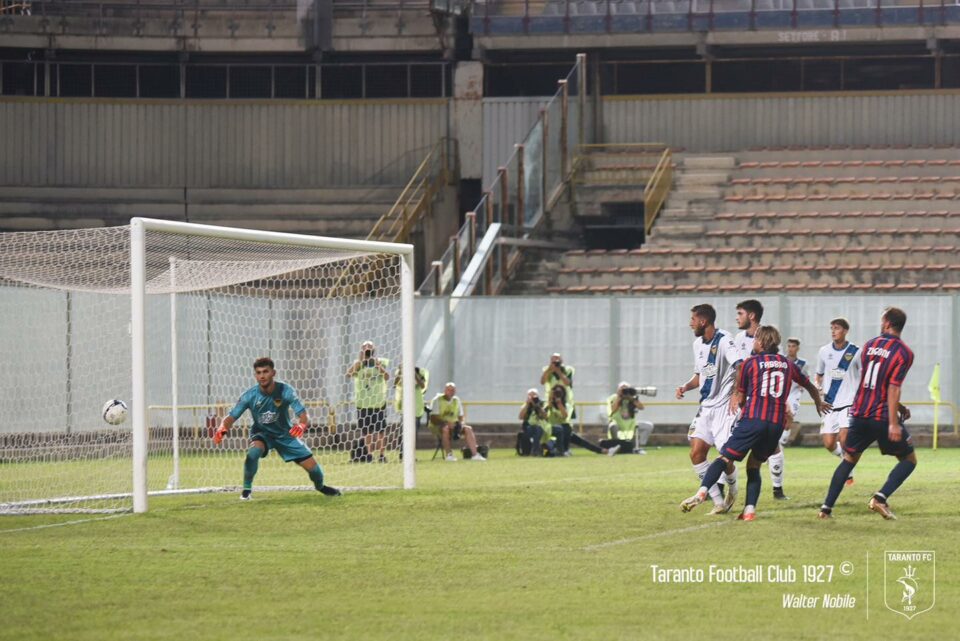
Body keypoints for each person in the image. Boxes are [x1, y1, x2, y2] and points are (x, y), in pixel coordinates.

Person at [681, 326, 824, 520]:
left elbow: (740, 397)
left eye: (756, 339)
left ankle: (702, 492)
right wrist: (818, 403)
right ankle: (749, 511)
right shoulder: (788, 364)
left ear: (762, 342)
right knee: (754, 466)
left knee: (724, 458)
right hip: (775, 425)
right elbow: (809, 385)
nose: (753, 342)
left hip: (754, 419)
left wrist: (737, 406)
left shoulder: (750, 363)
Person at [819, 308, 916, 521]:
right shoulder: (904, 353)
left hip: (860, 412)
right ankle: (880, 498)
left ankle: (825, 509)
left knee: (849, 459)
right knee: (909, 460)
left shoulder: (870, 345)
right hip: (881, 415)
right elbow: (891, 386)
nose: (881, 323)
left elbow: (870, 381)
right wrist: (893, 422)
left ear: (888, 323)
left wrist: (898, 408)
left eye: (883, 320)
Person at [213, 357, 340, 500]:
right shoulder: (249, 396)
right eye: (258, 372)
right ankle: (246, 491)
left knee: (314, 470)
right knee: (253, 453)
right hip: (262, 434)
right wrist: (222, 428)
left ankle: (321, 486)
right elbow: (231, 417)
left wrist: (301, 425)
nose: (262, 376)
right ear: (255, 375)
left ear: (273, 373)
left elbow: (303, 414)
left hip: (285, 434)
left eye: (265, 372)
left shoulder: (286, 391)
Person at [676, 304, 743, 514]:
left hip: (725, 409)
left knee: (726, 456)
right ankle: (718, 502)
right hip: (706, 407)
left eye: (693, 319)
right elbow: (700, 375)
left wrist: (737, 393)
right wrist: (686, 386)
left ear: (703, 321)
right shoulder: (697, 344)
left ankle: (732, 487)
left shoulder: (725, 339)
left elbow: (740, 366)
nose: (690, 323)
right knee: (696, 453)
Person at [732, 299, 788, 500]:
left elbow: (779, 371)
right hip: (741, 398)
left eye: (740, 313)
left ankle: (777, 489)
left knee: (771, 446)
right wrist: (736, 394)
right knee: (729, 443)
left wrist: (785, 402)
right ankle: (720, 487)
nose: (737, 318)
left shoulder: (767, 337)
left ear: (751, 316)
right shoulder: (738, 338)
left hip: (761, 401)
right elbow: (737, 369)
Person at [815, 318, 860, 485]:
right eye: (832, 328)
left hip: (849, 403)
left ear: (846, 331)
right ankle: (847, 462)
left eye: (837, 328)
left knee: (844, 438)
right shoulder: (824, 351)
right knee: (828, 443)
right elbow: (819, 375)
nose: (833, 331)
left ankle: (848, 471)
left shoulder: (855, 351)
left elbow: (862, 376)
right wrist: (818, 389)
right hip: (830, 403)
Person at [346, 340, 390, 463]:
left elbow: (387, 377)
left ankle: (382, 455)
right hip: (363, 403)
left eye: (369, 346)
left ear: (374, 349)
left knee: (380, 431)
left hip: (378, 402)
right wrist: (360, 361)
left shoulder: (381, 361)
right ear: (361, 349)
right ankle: (369, 455)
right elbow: (348, 374)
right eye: (365, 347)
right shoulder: (358, 363)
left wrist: (378, 365)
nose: (367, 349)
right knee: (367, 432)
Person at [428, 383, 486, 462]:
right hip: (438, 426)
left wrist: (461, 424)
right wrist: (446, 423)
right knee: (445, 429)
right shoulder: (437, 400)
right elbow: (433, 418)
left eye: (453, 390)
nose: (451, 392)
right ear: (445, 390)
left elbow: (461, 417)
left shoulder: (456, 400)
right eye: (449, 390)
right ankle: (449, 455)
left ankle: (475, 454)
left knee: (468, 429)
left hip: (454, 425)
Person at [606, 381, 654, 455]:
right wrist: (619, 397)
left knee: (648, 426)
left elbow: (641, 407)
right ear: (618, 390)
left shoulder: (632, 398)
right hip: (618, 423)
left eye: (626, 389)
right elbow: (613, 410)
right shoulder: (614, 397)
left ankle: (639, 447)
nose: (624, 391)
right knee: (612, 426)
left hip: (631, 425)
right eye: (622, 389)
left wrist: (631, 398)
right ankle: (616, 446)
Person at [541, 353, 576, 452]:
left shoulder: (568, 370)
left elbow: (567, 382)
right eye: (553, 360)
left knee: (566, 424)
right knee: (551, 424)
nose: (556, 362)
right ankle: (553, 445)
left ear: (562, 361)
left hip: (566, 400)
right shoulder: (547, 370)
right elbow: (542, 381)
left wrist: (558, 371)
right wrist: (550, 369)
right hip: (550, 400)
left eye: (557, 360)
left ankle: (565, 447)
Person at [781, 338, 807, 446]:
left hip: (794, 394)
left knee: (790, 415)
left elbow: (806, 377)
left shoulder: (803, 363)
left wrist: (802, 385)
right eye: (789, 346)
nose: (791, 349)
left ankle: (782, 440)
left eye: (793, 346)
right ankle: (780, 440)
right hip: (782, 393)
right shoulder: (782, 360)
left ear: (798, 348)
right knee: (780, 418)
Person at [518, 388, 554, 456]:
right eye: (530, 395)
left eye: (534, 395)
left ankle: (536, 450)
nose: (532, 397)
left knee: (538, 429)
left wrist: (536, 405)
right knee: (535, 429)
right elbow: (521, 417)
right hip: (529, 427)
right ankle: (532, 451)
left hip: (543, 427)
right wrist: (527, 404)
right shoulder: (525, 405)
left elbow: (544, 416)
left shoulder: (542, 404)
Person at [394, 364, 430, 432]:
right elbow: (395, 384)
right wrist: (400, 371)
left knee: (414, 432)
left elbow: (422, 385)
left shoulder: (419, 373)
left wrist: (414, 374)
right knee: (403, 432)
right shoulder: (401, 374)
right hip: (405, 408)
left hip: (416, 408)